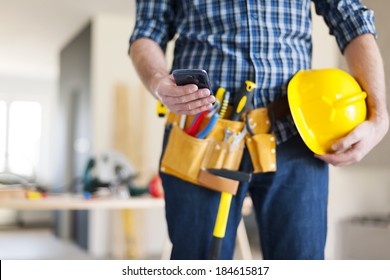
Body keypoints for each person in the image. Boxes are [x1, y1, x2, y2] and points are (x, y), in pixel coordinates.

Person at [129, 1, 389, 259]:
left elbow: (351, 18)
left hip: (295, 135)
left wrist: (378, 115)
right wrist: (158, 82)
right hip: (201, 136)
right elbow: (148, 31)